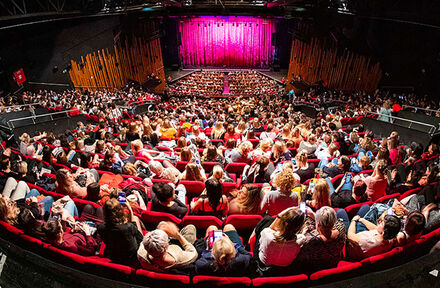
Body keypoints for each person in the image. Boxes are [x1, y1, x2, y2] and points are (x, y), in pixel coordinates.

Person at [293, 206, 346, 271]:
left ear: (318, 224)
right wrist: (312, 214)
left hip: (316, 269)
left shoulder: (310, 241)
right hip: (333, 263)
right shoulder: (341, 228)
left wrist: (302, 234)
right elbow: (333, 224)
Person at [97, 198, 143, 266]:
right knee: (135, 218)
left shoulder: (100, 227)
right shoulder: (128, 227)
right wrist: (130, 210)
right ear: (121, 211)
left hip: (114, 256)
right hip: (132, 258)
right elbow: (140, 238)